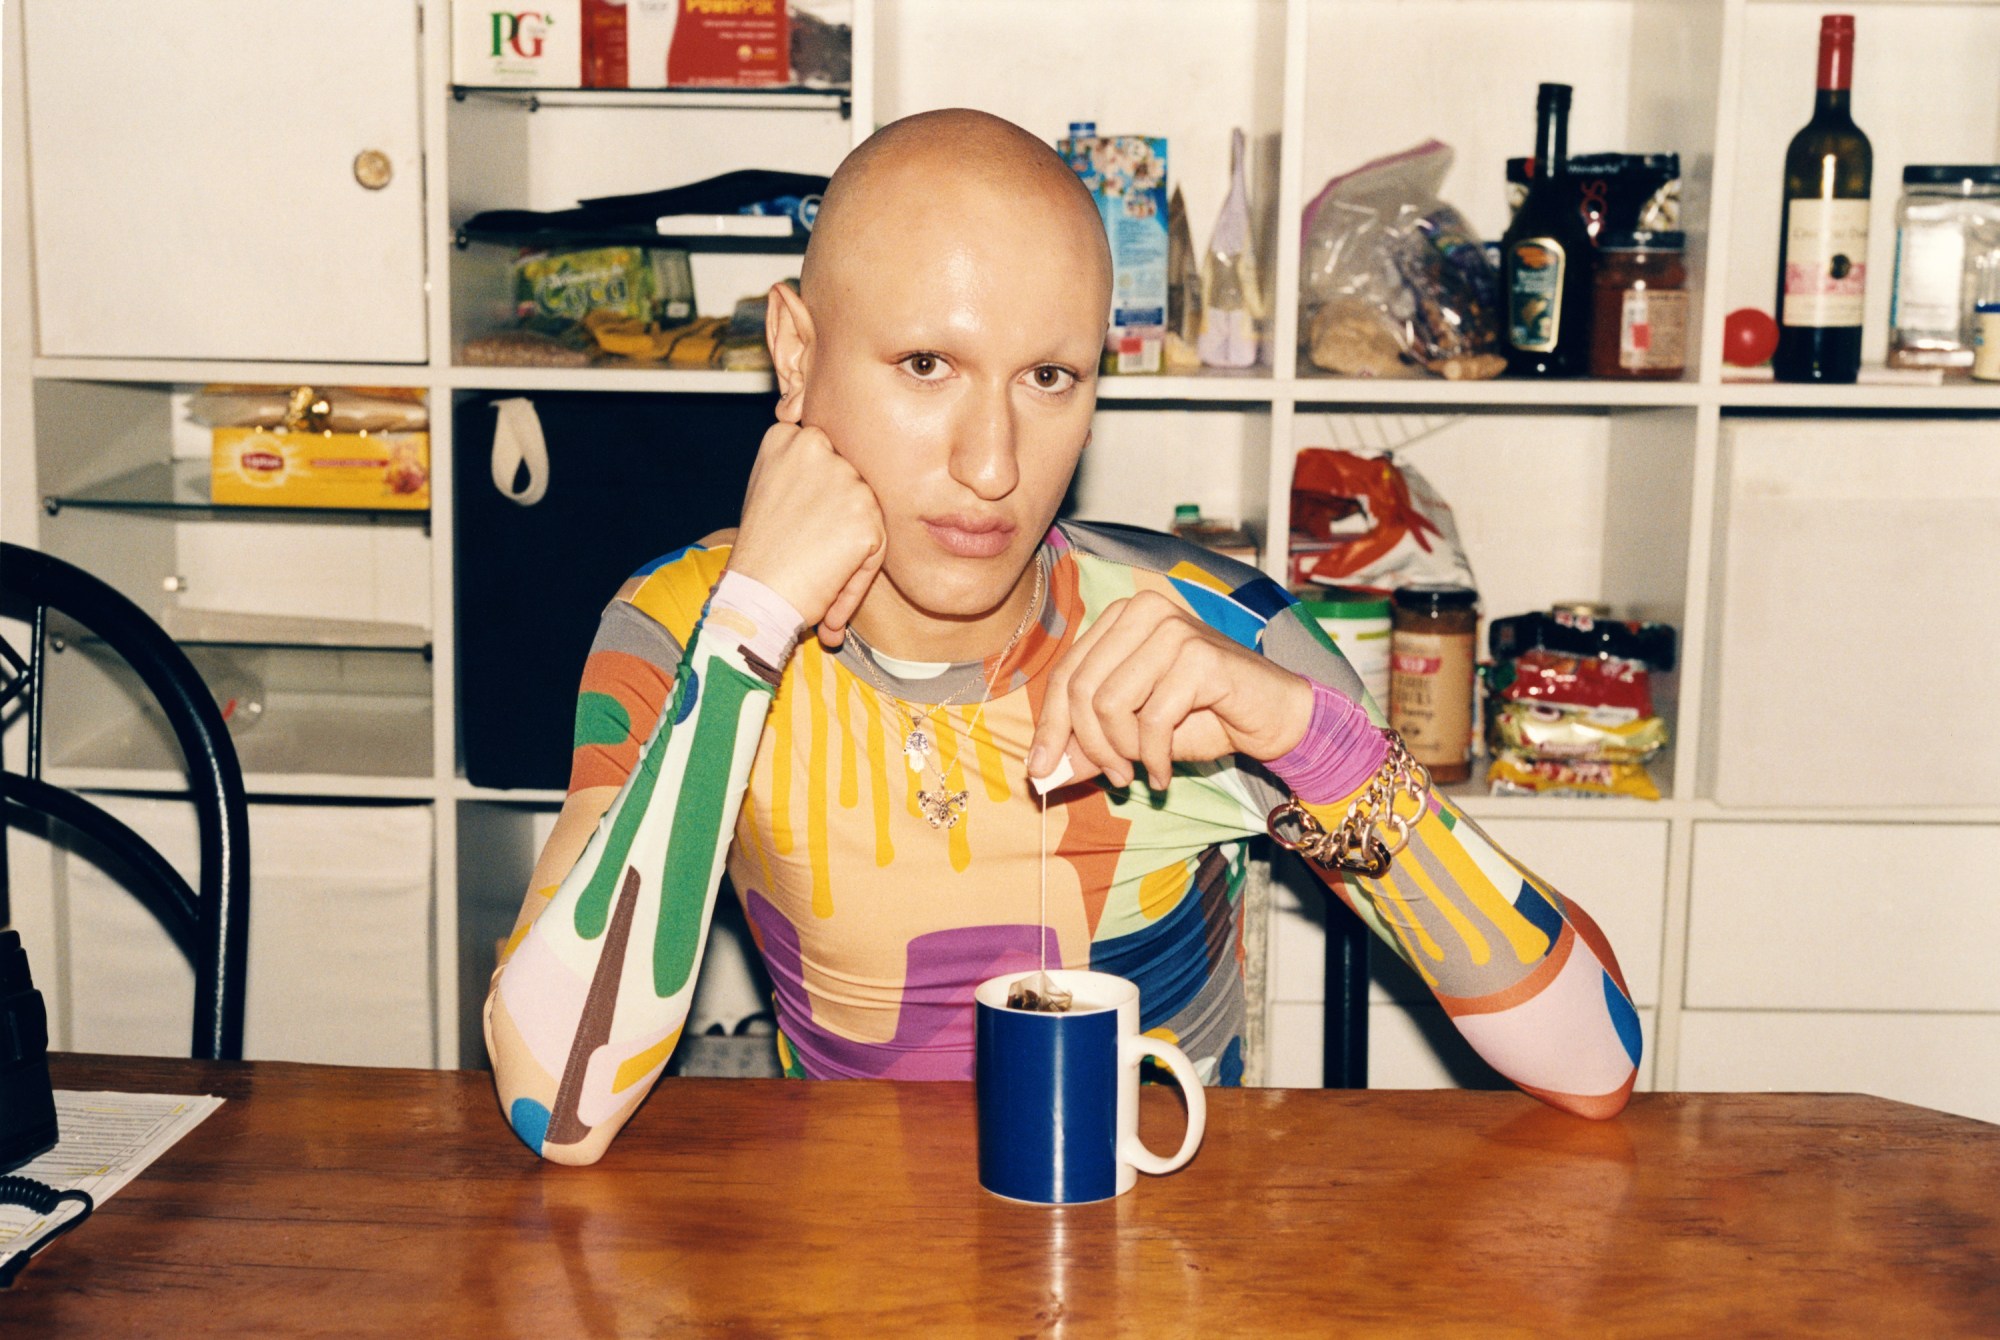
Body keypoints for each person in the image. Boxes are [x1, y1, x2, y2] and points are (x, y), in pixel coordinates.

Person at [485, 109, 1642, 1165]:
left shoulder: (1203, 633)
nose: (991, 466)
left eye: (1049, 376)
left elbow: (1593, 1064)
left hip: (1167, 1274)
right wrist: (748, 629)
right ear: (794, 349)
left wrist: (1309, 739)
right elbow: (556, 1101)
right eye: (925, 365)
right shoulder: (682, 624)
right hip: (842, 1280)